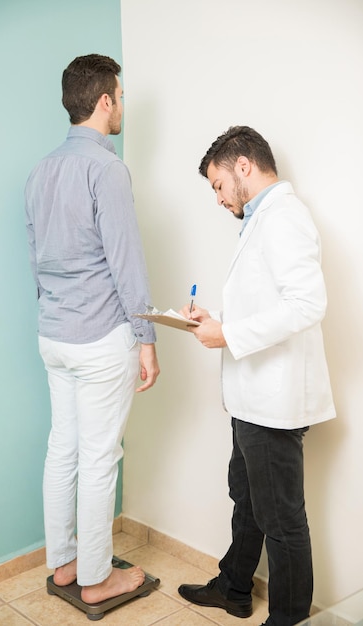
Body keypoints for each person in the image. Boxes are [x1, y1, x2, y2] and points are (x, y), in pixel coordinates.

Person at [177, 126, 335, 626]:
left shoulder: (284, 217)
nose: (219, 199)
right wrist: (213, 323)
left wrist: (229, 335)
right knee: (247, 500)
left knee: (282, 519)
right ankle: (235, 587)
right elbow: (263, 305)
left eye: (218, 185)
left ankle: (287, 619)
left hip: (274, 401)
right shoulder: (260, 221)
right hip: (250, 397)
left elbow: (308, 304)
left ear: (243, 166)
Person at [25, 54, 160, 604]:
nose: (122, 105)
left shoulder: (40, 171)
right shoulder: (105, 168)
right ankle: (97, 577)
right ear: (105, 101)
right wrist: (147, 339)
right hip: (100, 338)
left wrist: (54, 311)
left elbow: (36, 261)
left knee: (63, 450)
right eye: (121, 97)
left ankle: (63, 564)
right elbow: (126, 261)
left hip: (53, 335)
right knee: (99, 457)